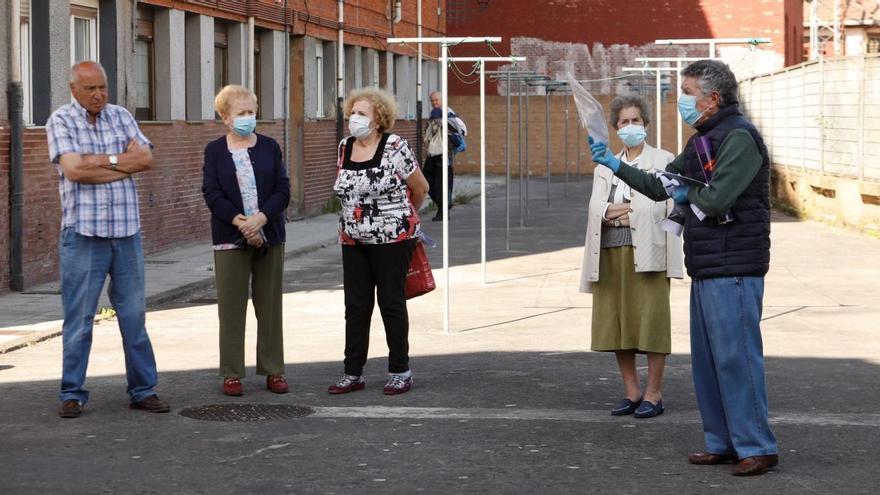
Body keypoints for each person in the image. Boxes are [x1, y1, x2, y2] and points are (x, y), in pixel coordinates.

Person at [590, 59, 778, 476]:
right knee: (709, 361)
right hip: (709, 263)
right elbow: (661, 185)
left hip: (735, 264)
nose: (683, 100)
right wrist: (615, 163)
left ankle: (757, 446)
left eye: (689, 92)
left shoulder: (739, 138)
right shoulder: (704, 139)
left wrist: (681, 187)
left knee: (737, 358)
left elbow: (714, 199)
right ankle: (723, 442)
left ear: (713, 97)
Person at [46, 61, 170, 418]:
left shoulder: (121, 116)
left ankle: (143, 390)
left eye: (102, 87)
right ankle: (72, 393)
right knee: (79, 319)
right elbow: (73, 170)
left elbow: (145, 158)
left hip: (126, 232)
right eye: (90, 89)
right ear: (74, 90)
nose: (99, 94)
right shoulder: (61, 120)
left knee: (134, 316)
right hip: (83, 234)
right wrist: (121, 162)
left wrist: (100, 163)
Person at [580, 95, 683, 419]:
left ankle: (654, 393)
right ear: (614, 128)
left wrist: (620, 211)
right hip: (610, 253)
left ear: (646, 124)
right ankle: (631, 391)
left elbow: (664, 206)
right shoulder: (604, 166)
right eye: (623, 122)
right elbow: (596, 208)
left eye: (635, 120)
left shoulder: (664, 160)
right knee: (617, 323)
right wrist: (615, 212)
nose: (630, 127)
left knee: (652, 322)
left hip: (650, 253)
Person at [330, 87, 429, 395]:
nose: (354, 119)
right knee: (356, 306)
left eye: (362, 114)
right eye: (352, 113)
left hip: (392, 239)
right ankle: (352, 372)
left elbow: (421, 187)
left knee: (391, 302)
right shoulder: (345, 147)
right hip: (353, 240)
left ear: (378, 119)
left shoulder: (395, 146)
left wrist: (402, 219)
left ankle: (400, 370)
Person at [202, 85, 291, 397]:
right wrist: (241, 222)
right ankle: (231, 373)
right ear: (226, 118)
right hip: (231, 235)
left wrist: (261, 218)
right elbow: (211, 193)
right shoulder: (214, 151)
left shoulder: (269, 146)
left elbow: (283, 188)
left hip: (270, 233)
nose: (248, 118)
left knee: (269, 306)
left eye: (252, 112)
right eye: (241, 113)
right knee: (231, 307)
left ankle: (273, 369)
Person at [424, 91, 467, 221]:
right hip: (432, 154)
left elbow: (463, 130)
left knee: (441, 185)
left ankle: (443, 212)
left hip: (445, 156)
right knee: (426, 182)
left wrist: (445, 122)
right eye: (432, 101)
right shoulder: (433, 114)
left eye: (436, 100)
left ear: (443, 100)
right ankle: (444, 207)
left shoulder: (449, 114)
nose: (434, 103)